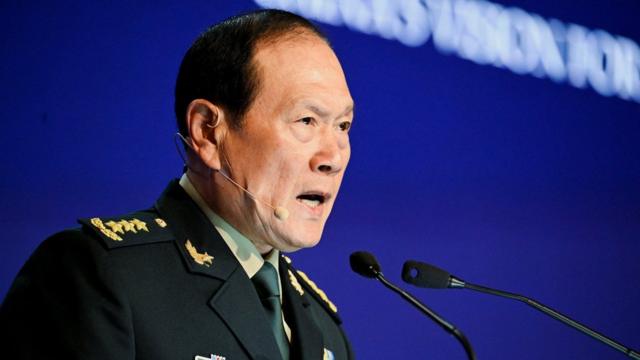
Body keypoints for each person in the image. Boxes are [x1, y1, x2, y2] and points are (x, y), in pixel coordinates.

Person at [0, 9, 355, 360]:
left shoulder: (324, 331)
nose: (333, 157)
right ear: (208, 133)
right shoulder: (100, 277)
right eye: (306, 120)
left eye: (342, 126)